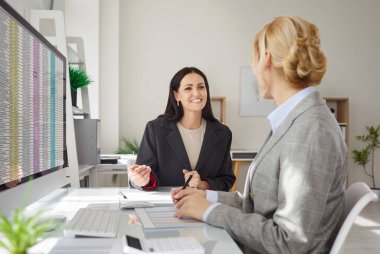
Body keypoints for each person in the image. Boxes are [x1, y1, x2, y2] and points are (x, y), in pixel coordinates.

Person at [172, 16, 348, 253]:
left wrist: (209, 211)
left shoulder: (311, 129)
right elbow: (257, 203)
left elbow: (289, 240)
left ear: (266, 59)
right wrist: (204, 196)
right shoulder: (295, 120)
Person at [128, 67, 236, 191]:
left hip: (205, 207)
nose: (196, 93)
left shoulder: (223, 133)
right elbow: (145, 175)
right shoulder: (156, 129)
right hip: (166, 207)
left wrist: (201, 184)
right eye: (188, 88)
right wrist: (142, 179)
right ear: (176, 95)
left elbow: (226, 180)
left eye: (201, 87)